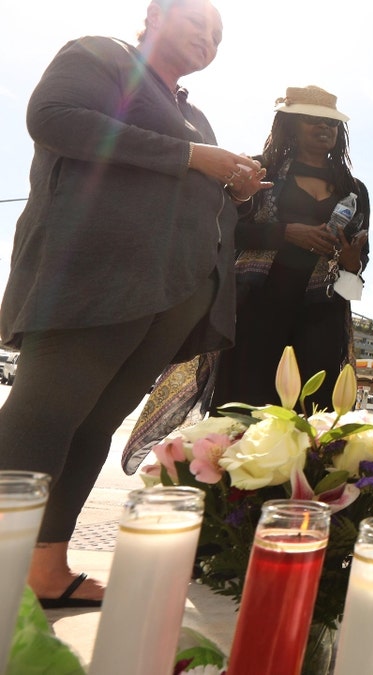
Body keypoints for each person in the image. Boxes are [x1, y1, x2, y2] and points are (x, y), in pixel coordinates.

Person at [0, 0, 267, 607]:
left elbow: (186, 187)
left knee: (94, 424)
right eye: (198, 21)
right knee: (43, 416)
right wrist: (194, 158)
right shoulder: (101, 56)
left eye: (218, 35)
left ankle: (42, 567)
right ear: (154, 14)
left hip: (172, 288)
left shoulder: (193, 112)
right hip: (95, 273)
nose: (208, 38)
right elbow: (54, 118)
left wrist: (235, 187)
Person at [209, 85, 369, 412]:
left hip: (322, 314)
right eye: (313, 119)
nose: (325, 127)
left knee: (313, 412)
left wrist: (353, 261)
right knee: (242, 408)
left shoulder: (355, 189)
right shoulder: (257, 170)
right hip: (257, 308)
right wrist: (284, 233)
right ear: (291, 123)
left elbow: (360, 254)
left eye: (332, 122)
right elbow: (223, 230)